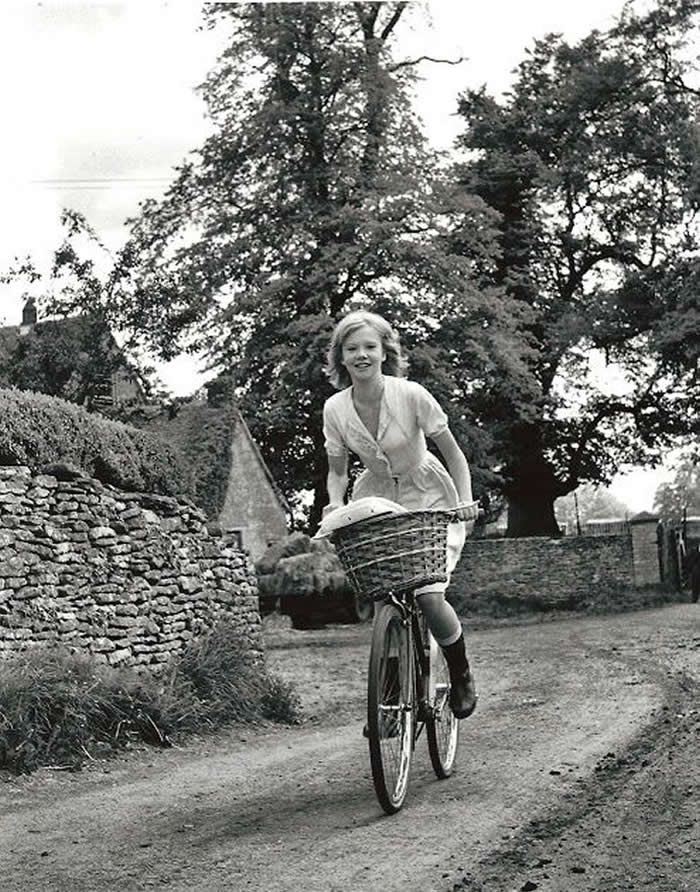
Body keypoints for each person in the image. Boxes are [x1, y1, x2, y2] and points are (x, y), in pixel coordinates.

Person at [321, 309, 478, 719]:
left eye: (369, 347)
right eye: (352, 348)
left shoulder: (411, 394)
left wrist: (464, 499)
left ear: (384, 351)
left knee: (428, 593)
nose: (362, 355)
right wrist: (335, 503)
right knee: (382, 593)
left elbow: (454, 453)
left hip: (427, 492)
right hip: (375, 498)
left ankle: (460, 671)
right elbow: (336, 472)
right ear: (340, 356)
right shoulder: (335, 409)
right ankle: (390, 699)